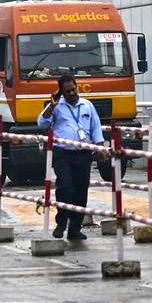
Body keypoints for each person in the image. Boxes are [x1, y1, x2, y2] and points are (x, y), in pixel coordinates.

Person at [37, 71, 107, 240]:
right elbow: (41, 123)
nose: (72, 93)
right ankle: (61, 223)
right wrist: (52, 105)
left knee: (81, 189)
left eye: (73, 89)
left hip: (83, 153)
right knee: (65, 186)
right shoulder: (56, 106)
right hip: (63, 153)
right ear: (61, 92)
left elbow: (96, 128)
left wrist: (100, 147)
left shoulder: (87, 105)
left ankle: (75, 228)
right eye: (67, 91)